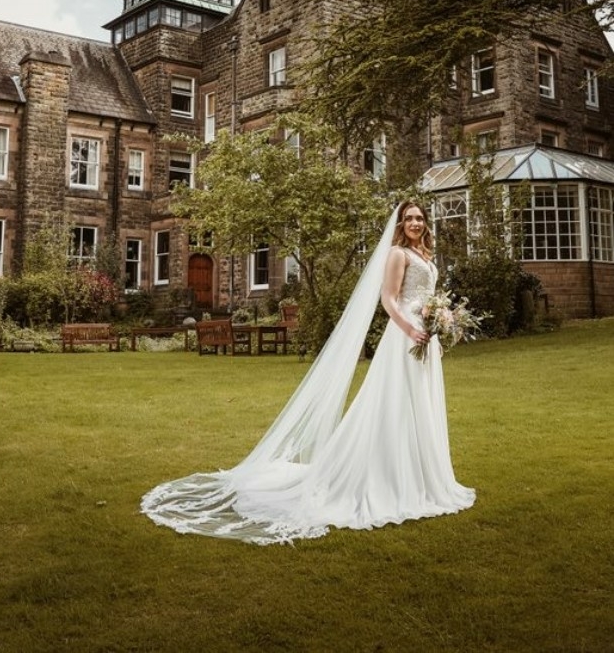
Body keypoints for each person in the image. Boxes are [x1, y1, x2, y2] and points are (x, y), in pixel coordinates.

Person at [141, 200, 475, 544]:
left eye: (419, 218)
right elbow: (389, 299)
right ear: (401, 224)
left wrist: (442, 320)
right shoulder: (397, 255)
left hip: (426, 337)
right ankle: (391, 477)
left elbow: (428, 296)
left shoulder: (427, 256)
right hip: (405, 336)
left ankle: (424, 476)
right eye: (409, 219)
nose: (415, 223)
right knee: (395, 403)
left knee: (422, 403)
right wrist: (409, 328)